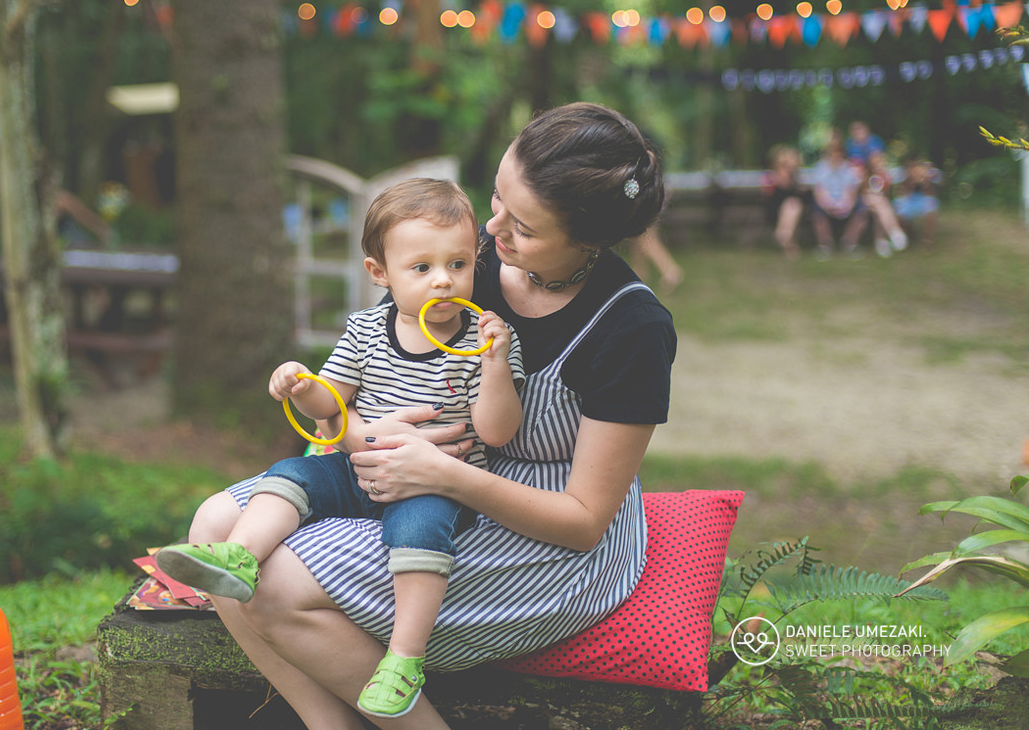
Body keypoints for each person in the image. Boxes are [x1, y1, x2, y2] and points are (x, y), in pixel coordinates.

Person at [173, 102, 675, 729]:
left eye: (522, 227)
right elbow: (358, 398)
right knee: (215, 522)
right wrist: (369, 434)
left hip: (543, 534)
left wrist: (441, 475)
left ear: (588, 240)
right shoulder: (460, 264)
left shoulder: (631, 328)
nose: (492, 232)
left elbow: (581, 523)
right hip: (404, 469)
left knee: (273, 584)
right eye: (495, 200)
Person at [157, 178, 525, 719]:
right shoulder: (366, 330)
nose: (444, 281)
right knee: (288, 474)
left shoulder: (481, 339)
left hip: (436, 484)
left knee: (419, 531)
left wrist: (495, 366)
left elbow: (497, 432)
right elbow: (330, 406)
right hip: (362, 468)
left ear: (476, 263)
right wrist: (299, 384)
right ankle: (239, 558)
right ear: (380, 274)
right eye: (421, 268)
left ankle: (404, 658)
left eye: (459, 265)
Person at [810, 135, 869, 259]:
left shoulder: (849, 168)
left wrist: (847, 204)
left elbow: (851, 191)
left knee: (862, 210)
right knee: (817, 212)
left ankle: (849, 242)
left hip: (845, 202)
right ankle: (825, 244)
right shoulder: (820, 168)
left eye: (838, 151)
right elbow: (819, 191)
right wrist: (827, 205)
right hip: (826, 202)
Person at [760, 144, 813, 260]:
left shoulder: (796, 179)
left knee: (793, 205)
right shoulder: (771, 177)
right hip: (775, 212)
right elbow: (767, 196)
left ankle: (785, 238)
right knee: (792, 205)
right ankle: (787, 240)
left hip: (793, 213)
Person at [858, 150, 909, 258]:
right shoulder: (866, 174)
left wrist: (885, 177)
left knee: (880, 212)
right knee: (882, 205)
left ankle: (882, 242)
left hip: (879, 203)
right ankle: (895, 232)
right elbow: (862, 191)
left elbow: (885, 192)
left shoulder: (884, 175)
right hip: (867, 201)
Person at [893, 157, 941, 249]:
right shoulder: (903, 175)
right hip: (909, 199)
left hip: (923, 198)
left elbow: (931, 194)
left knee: (931, 209)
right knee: (900, 213)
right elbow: (904, 194)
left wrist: (925, 183)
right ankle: (904, 238)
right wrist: (911, 182)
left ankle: (928, 239)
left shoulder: (929, 175)